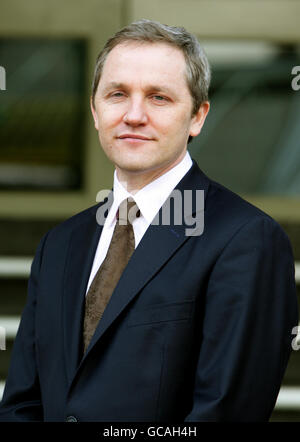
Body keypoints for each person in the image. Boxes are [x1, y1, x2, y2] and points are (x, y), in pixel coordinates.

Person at [0, 19, 298, 422]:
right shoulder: (59, 244)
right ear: (95, 110)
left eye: (158, 97)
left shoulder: (246, 240)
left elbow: (226, 412)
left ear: (197, 117)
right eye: (117, 94)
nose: (134, 115)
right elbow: (22, 404)